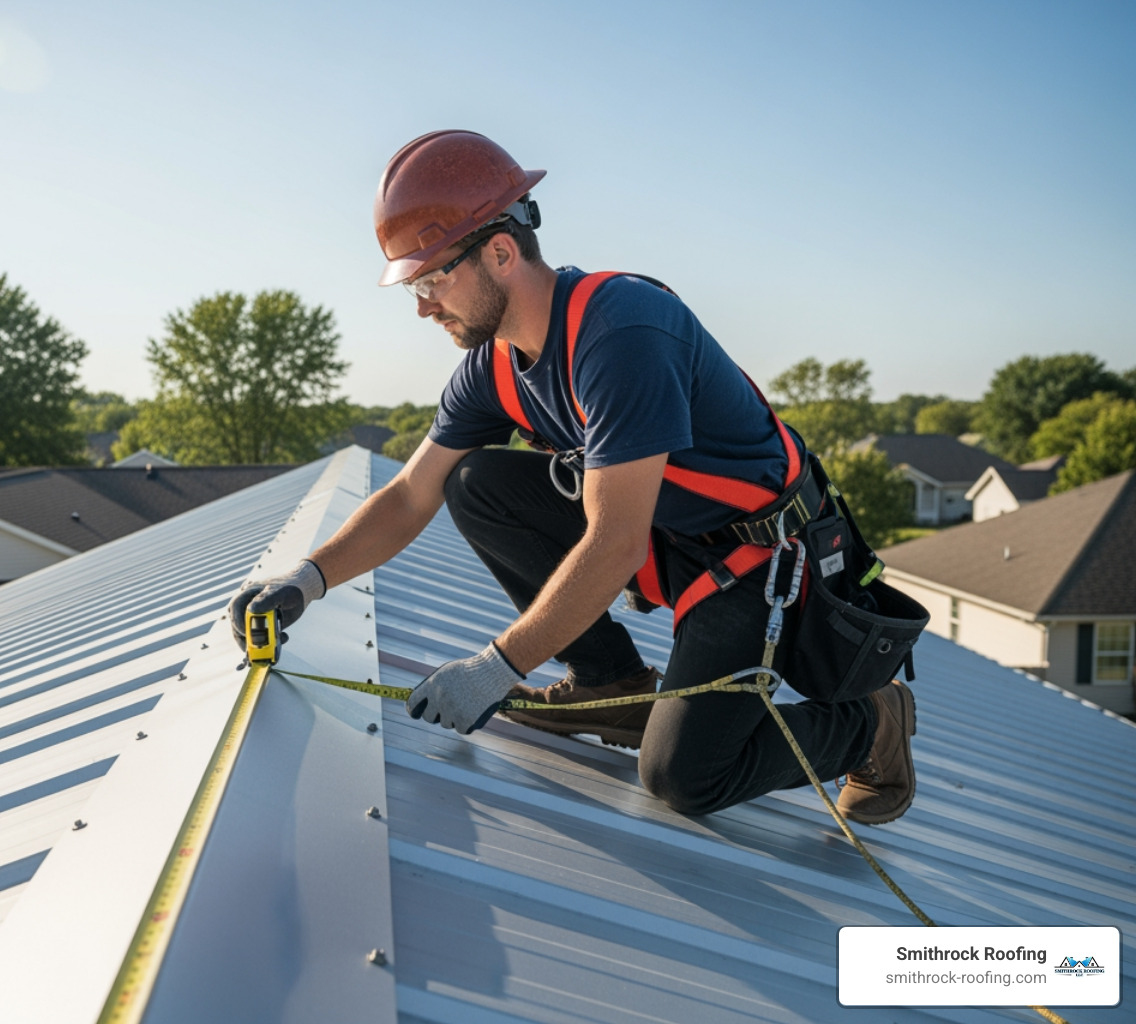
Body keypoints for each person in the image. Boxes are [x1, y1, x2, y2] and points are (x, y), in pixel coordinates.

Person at [229, 130, 917, 823]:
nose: (423, 305)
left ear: (500, 251)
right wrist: (304, 581)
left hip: (755, 561)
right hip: (667, 533)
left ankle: (872, 724)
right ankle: (606, 680)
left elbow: (614, 541)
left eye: (433, 278)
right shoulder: (492, 366)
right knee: (474, 481)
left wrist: (500, 665)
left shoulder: (621, 334)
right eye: (414, 284)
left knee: (682, 777)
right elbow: (411, 494)